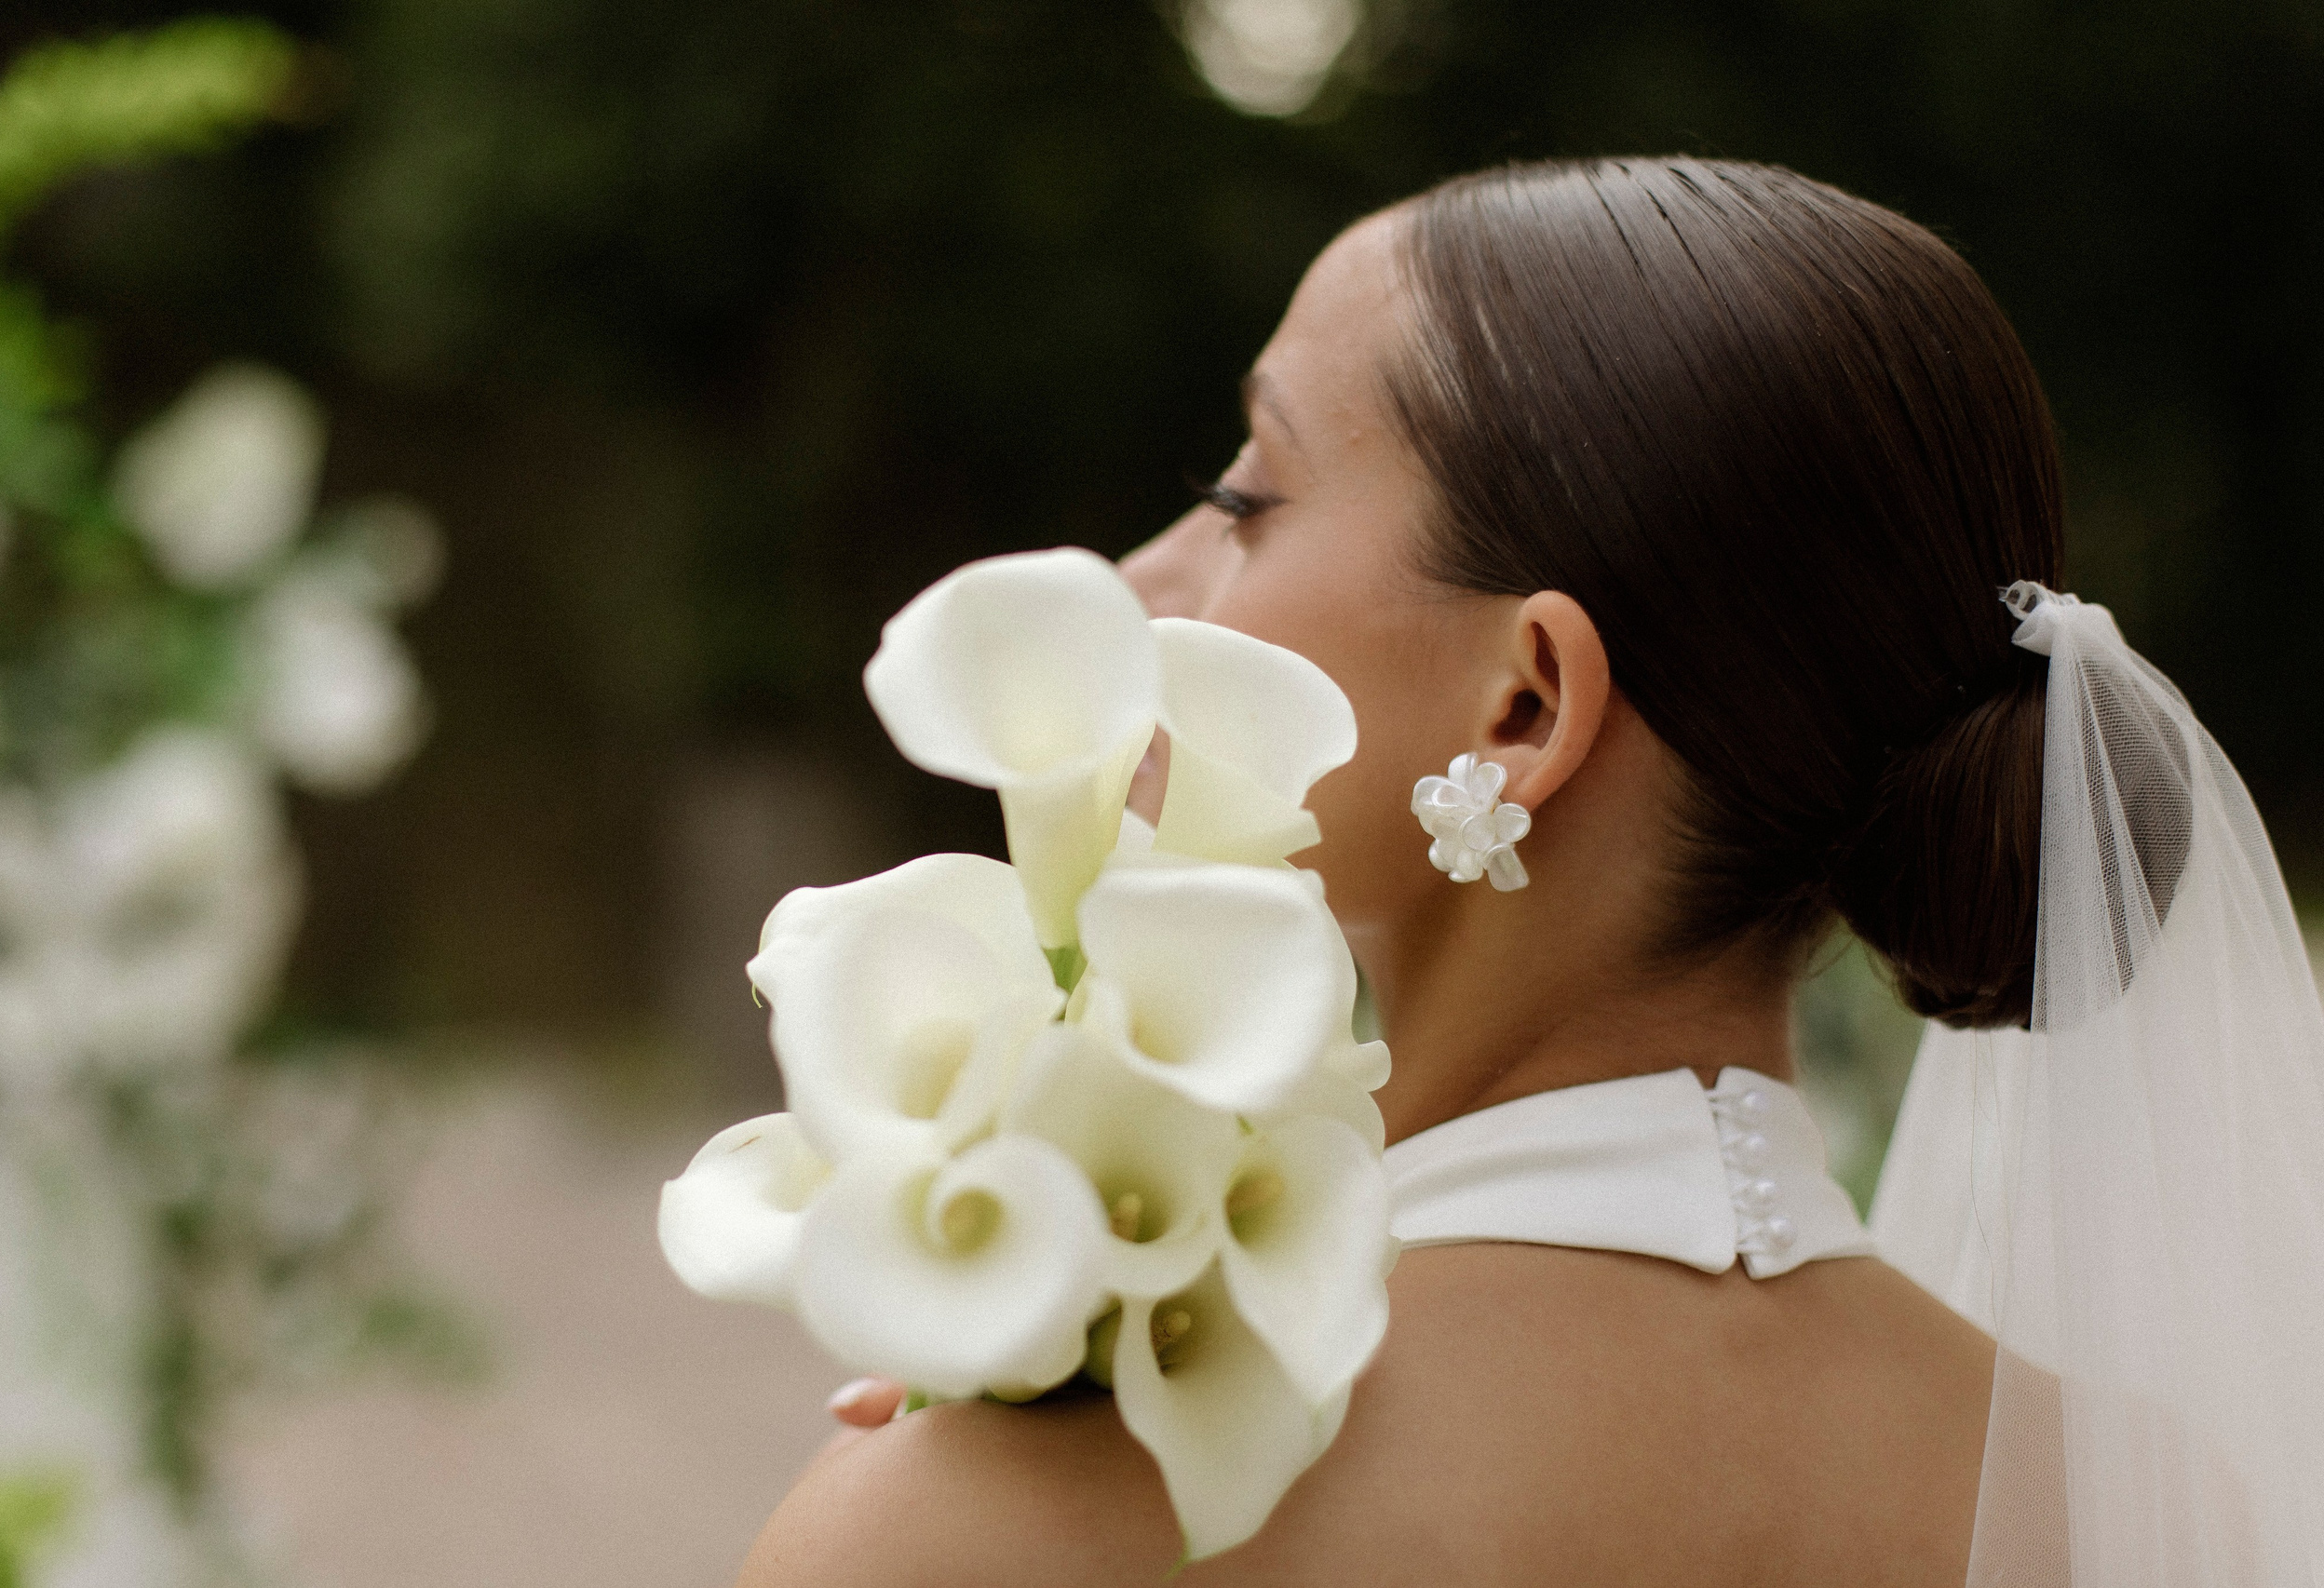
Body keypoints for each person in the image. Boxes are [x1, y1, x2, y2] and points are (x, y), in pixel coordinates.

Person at [737, 158, 2324, 1585]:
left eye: (1246, 499)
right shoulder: (2143, 1508)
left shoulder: (1005, 1522)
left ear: (1526, 707)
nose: (1141, 579)